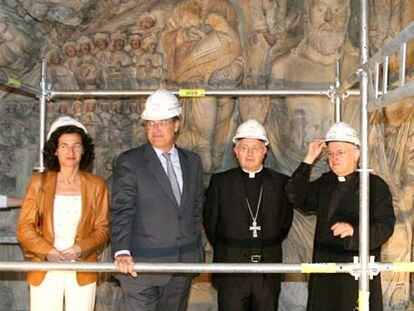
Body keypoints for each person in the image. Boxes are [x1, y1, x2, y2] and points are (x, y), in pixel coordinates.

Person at [285, 122, 396, 311]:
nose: (334, 158)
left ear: (357, 154)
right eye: (331, 153)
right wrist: (309, 159)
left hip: (355, 270)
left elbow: (385, 226)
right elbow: (295, 195)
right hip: (324, 269)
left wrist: (355, 232)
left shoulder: (375, 185)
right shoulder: (325, 182)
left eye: (340, 152)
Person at [110, 89, 204, 311]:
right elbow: (122, 209)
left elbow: (195, 208)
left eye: (162, 122)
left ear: (176, 124)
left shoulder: (192, 162)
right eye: (151, 123)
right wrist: (122, 251)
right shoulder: (130, 162)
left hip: (181, 265)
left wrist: (194, 248)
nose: (155, 129)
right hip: (140, 266)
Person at [17, 116, 110, 311]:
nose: (71, 152)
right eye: (64, 146)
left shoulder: (96, 185)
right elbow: (25, 228)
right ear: (55, 150)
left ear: (84, 149)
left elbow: (102, 229)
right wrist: (47, 250)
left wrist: (79, 248)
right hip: (45, 266)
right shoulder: (38, 183)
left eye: (76, 145)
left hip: (82, 268)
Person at [203, 119, 293, 311]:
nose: (250, 153)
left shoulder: (280, 183)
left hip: (267, 270)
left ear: (265, 151)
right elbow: (210, 224)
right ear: (236, 151)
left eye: (255, 148)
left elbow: (284, 224)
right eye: (244, 148)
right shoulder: (220, 183)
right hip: (231, 270)